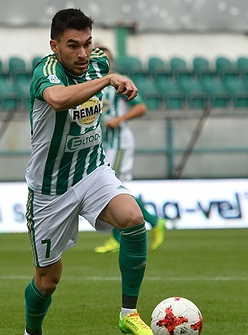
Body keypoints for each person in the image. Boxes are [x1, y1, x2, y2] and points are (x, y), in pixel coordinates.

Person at [24, 8, 151, 335]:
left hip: (92, 170)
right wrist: (108, 80)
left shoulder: (98, 61)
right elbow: (58, 100)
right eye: (72, 45)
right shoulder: (46, 71)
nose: (82, 53)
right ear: (54, 46)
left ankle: (128, 313)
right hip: (51, 189)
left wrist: (114, 77)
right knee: (48, 280)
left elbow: (102, 67)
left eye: (87, 43)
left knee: (134, 219)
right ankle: (31, 332)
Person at [93, 47, 167, 254]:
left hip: (119, 143)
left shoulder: (118, 82)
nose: (102, 64)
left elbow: (141, 107)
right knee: (116, 189)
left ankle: (120, 236)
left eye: (106, 60)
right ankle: (154, 221)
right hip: (103, 144)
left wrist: (119, 119)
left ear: (112, 63)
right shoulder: (91, 84)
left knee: (114, 188)